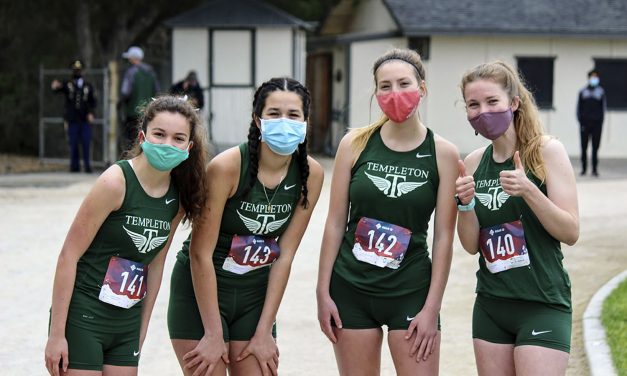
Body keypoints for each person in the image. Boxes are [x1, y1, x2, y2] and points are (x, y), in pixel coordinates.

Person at [167, 77, 324, 376]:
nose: (284, 122)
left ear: (306, 122)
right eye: (274, 114)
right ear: (257, 119)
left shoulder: (311, 175)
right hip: (201, 294)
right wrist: (213, 334)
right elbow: (200, 253)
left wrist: (265, 329)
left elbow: (285, 255)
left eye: (293, 115)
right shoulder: (226, 168)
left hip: (254, 295)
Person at [317, 48, 458, 375]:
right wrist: (322, 291)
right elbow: (335, 222)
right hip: (350, 287)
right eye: (385, 86)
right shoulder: (354, 144)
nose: (395, 93)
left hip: (410, 290)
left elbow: (444, 237)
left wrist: (431, 309)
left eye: (404, 83)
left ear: (422, 88)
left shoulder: (444, 153)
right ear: (376, 92)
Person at [44, 96, 208, 376]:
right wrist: (56, 335)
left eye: (178, 138)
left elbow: (155, 266)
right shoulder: (115, 183)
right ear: (143, 136)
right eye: (159, 134)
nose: (167, 144)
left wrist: (141, 332)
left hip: (127, 321)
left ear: (188, 146)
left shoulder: (178, 198)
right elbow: (68, 256)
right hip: (84, 315)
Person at [456, 61, 579, 376]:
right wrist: (465, 204)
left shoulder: (546, 152)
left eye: (492, 101)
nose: (483, 111)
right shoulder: (472, 163)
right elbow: (471, 245)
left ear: (513, 103)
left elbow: (570, 231)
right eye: (474, 104)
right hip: (491, 306)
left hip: (541, 303)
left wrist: (529, 191)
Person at [51, 59, 97, 173]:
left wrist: (91, 113)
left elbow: (93, 102)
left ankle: (87, 166)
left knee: (86, 142)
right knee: (73, 143)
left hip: (85, 119)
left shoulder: (88, 86)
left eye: (79, 70)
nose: (77, 72)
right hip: (72, 119)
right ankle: (74, 167)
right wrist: (54, 86)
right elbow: (57, 89)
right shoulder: (68, 84)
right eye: (75, 70)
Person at [120, 46, 161, 154]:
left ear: (133, 58)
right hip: (149, 111)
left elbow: (125, 92)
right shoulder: (151, 72)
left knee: (131, 139)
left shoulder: (131, 72)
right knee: (145, 137)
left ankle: (131, 160)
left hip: (132, 112)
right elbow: (157, 92)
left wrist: (120, 103)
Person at [577, 69, 606, 177]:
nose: (594, 79)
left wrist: (600, 122)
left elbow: (603, 109)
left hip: (596, 125)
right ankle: (583, 169)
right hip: (585, 125)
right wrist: (581, 122)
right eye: (592, 77)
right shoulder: (583, 92)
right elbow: (578, 109)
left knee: (595, 147)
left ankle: (594, 169)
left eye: (596, 77)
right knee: (584, 147)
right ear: (589, 78)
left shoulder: (601, 92)